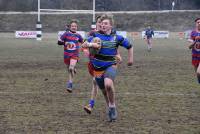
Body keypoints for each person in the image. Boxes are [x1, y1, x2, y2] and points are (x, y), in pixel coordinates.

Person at [82, 14, 133, 122]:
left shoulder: (116, 37)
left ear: (111, 26)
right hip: (97, 68)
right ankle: (110, 107)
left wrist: (130, 60)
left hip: (111, 65)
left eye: (105, 24)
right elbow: (84, 44)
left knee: (108, 84)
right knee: (104, 91)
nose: (102, 25)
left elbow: (129, 46)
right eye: (102, 23)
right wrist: (89, 45)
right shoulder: (95, 35)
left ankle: (112, 106)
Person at [83, 16, 122, 114]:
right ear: (96, 23)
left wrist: (118, 55)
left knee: (98, 83)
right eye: (99, 22)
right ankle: (108, 106)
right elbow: (84, 44)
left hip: (107, 63)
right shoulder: (93, 34)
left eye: (103, 22)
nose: (101, 24)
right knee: (98, 84)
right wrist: (87, 50)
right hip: (93, 63)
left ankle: (92, 104)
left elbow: (114, 47)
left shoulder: (111, 34)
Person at [58, 19, 83, 92]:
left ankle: (70, 84)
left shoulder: (78, 35)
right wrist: (64, 42)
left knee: (70, 68)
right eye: (72, 26)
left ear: (77, 27)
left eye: (75, 26)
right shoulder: (66, 34)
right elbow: (59, 42)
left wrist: (85, 47)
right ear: (70, 27)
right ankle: (73, 68)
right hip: (66, 55)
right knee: (70, 69)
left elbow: (83, 42)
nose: (74, 27)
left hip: (74, 54)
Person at [188, 18, 200, 84]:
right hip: (195, 56)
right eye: (198, 22)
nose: (199, 23)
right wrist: (195, 40)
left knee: (199, 72)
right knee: (198, 75)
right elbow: (189, 47)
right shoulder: (193, 33)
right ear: (196, 24)